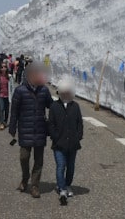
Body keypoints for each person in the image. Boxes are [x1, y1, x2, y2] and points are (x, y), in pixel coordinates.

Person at [9, 63, 52, 198]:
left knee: (38, 160)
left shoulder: (44, 90)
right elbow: (14, 111)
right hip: (25, 129)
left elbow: (52, 106)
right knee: (24, 157)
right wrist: (12, 126)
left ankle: (34, 185)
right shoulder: (20, 90)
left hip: (40, 129)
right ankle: (25, 177)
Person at [48, 77, 83, 206]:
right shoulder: (54, 106)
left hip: (73, 143)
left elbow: (80, 123)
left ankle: (67, 185)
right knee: (60, 166)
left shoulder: (75, 106)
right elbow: (50, 124)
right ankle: (62, 188)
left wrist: (78, 136)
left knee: (71, 167)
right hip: (59, 144)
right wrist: (56, 137)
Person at [0, 65, 12, 129]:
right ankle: (1, 123)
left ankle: (5, 122)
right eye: (2, 67)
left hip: (7, 95)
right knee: (1, 108)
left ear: (7, 68)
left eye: (4, 67)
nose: (3, 68)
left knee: (7, 110)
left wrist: (13, 96)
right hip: (0, 95)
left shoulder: (9, 77)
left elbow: (12, 87)